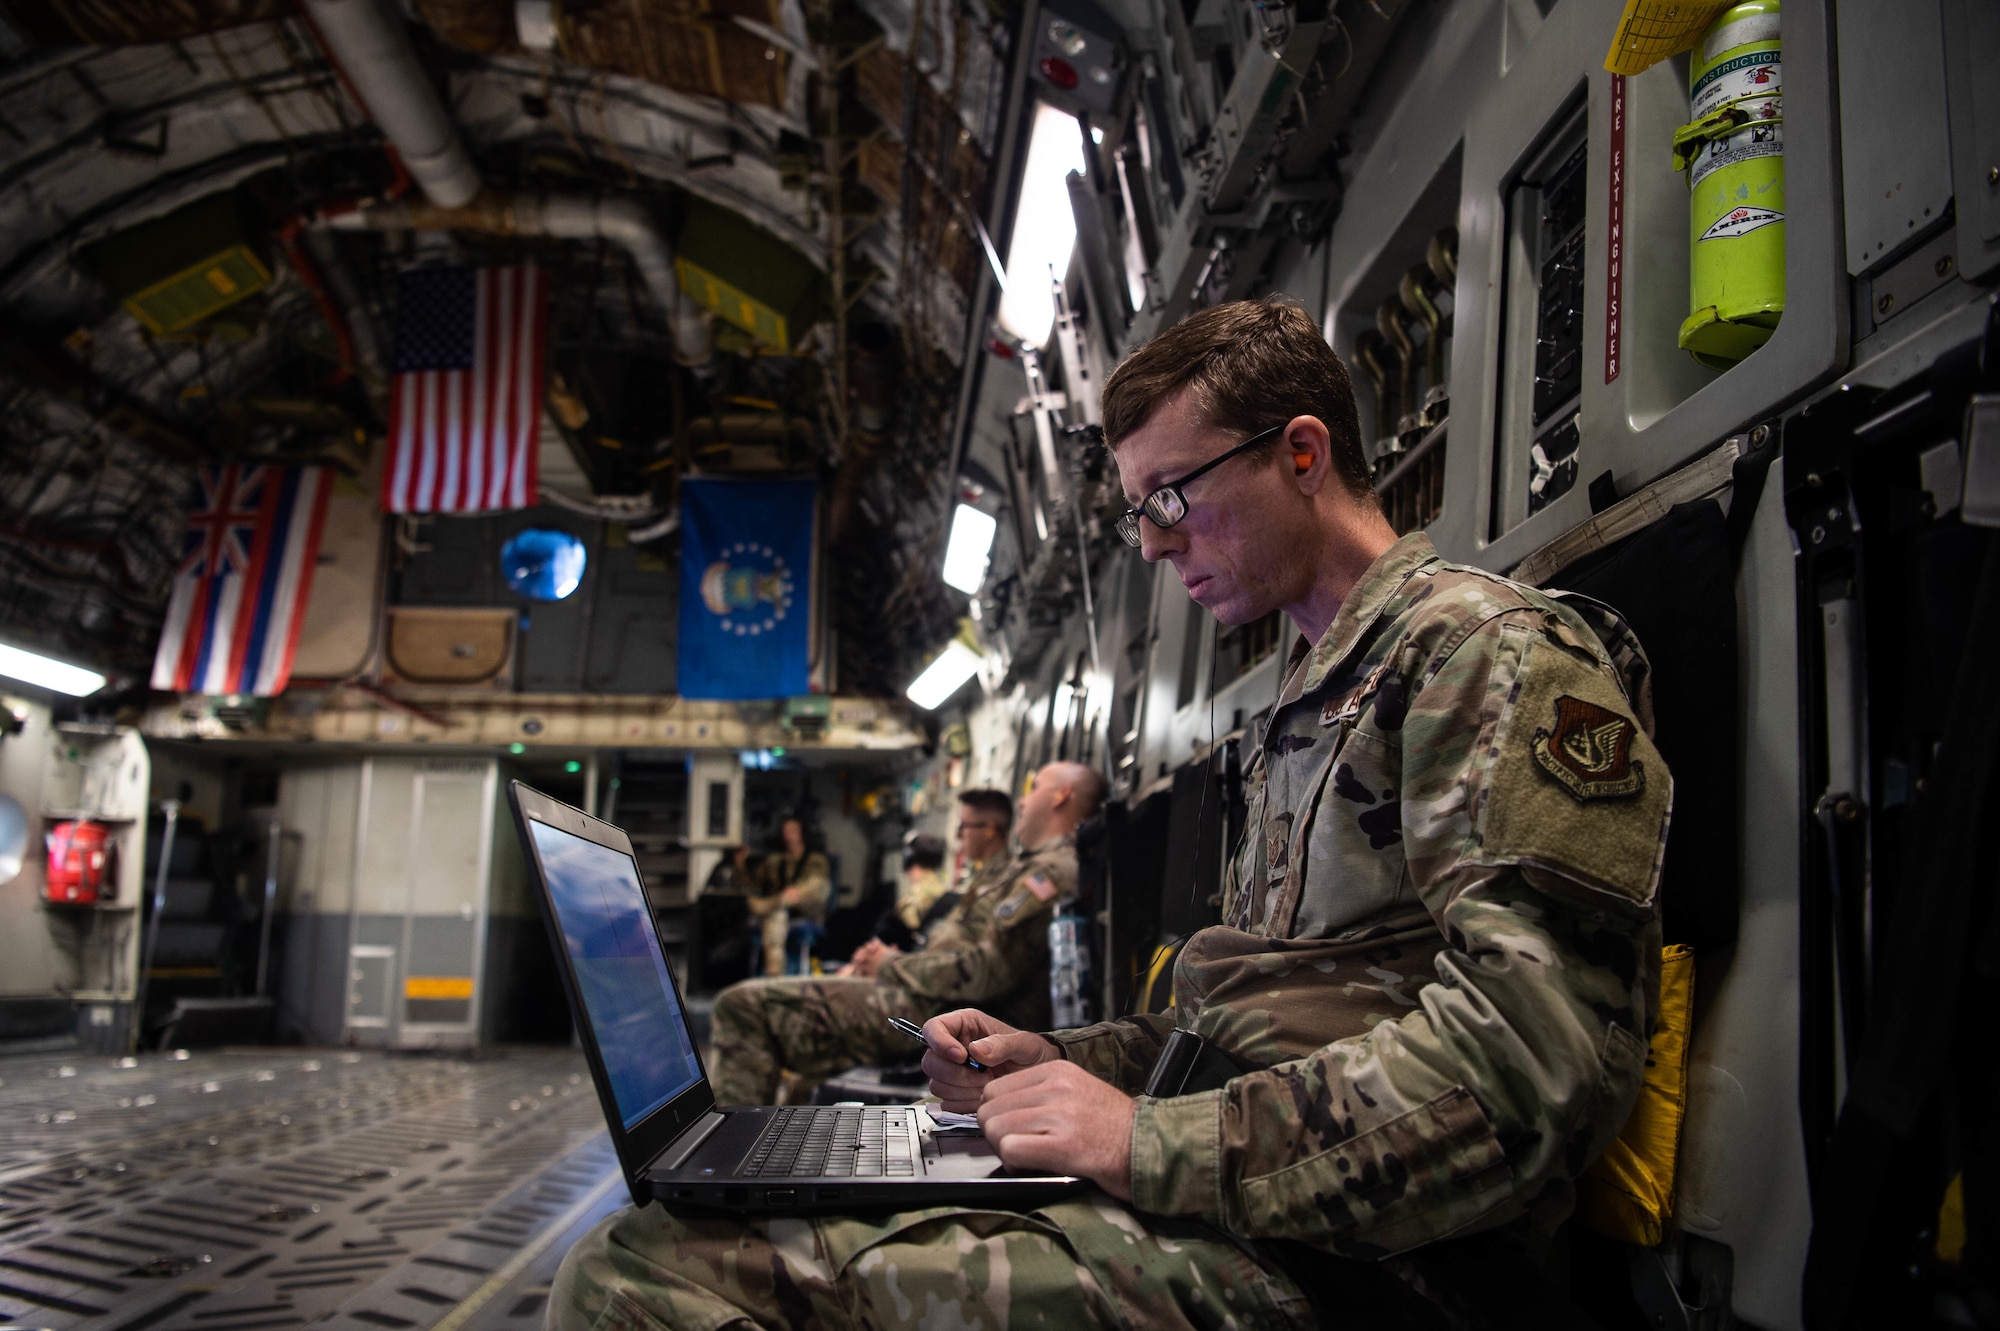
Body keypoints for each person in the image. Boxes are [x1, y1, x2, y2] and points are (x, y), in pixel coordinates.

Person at [550, 298, 1668, 1328]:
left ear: (1300, 453)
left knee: (642, 1274)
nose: (1150, 542)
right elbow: (1235, 1031)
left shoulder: (1487, 654)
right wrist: (1055, 1059)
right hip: (1242, 1195)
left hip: (1369, 1253)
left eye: (1170, 497)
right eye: (1135, 511)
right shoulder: (1303, 706)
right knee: (676, 1228)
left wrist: (1142, 1136)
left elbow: (1530, 1065)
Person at [699, 763, 1100, 1106]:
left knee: (742, 1006)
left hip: (946, 1015)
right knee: (795, 1056)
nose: (1024, 801)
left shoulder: (1051, 873)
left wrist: (892, 966)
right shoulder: (1026, 869)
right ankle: (767, 1151)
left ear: (1061, 795)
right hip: (931, 997)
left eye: (1034, 789)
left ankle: (722, 1165)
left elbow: (988, 971)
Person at [844, 788, 1013, 976]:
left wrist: (892, 964)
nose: (958, 836)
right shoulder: (983, 880)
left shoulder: (1002, 885)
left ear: (989, 830)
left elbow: (972, 962)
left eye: (964, 826)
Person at [743, 815, 830, 976]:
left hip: (808, 908)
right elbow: (752, 882)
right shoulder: (775, 861)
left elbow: (819, 887)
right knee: (777, 915)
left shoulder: (816, 860)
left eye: (793, 831)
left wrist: (796, 892)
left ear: (802, 833)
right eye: (785, 832)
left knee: (818, 886)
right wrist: (740, 863)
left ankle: (771, 903)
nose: (788, 836)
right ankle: (776, 976)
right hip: (782, 911)